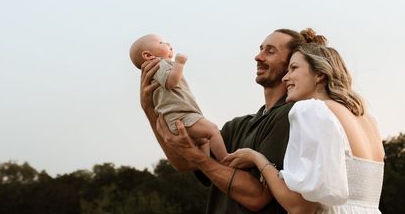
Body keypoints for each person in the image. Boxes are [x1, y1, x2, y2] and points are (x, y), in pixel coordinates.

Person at [140, 28, 321, 213]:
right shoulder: (237, 126)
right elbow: (183, 162)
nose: (258, 56)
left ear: (292, 64)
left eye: (270, 51)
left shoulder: (291, 116)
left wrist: (198, 157)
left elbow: (258, 197)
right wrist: (150, 108)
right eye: (261, 49)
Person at [222, 43, 385, 214]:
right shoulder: (367, 120)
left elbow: (300, 207)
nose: (285, 78)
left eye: (293, 68)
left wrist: (258, 159)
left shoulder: (313, 111)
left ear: (319, 74)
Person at [131, 34, 228, 161]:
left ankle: (207, 166)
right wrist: (180, 63)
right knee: (213, 130)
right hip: (181, 116)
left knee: (203, 141)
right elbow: (171, 82)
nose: (168, 44)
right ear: (148, 55)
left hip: (179, 117)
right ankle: (226, 159)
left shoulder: (159, 68)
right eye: (161, 43)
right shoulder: (159, 64)